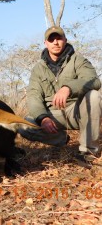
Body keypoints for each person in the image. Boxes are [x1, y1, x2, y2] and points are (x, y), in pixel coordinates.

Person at [18, 26, 101, 169]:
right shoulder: (38, 69)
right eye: (51, 39)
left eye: (59, 38)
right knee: (22, 125)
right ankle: (61, 139)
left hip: (76, 111)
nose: (55, 42)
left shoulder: (78, 60)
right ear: (46, 43)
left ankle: (88, 152)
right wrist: (43, 117)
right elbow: (33, 96)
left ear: (65, 40)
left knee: (94, 96)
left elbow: (94, 81)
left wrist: (68, 87)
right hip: (52, 116)